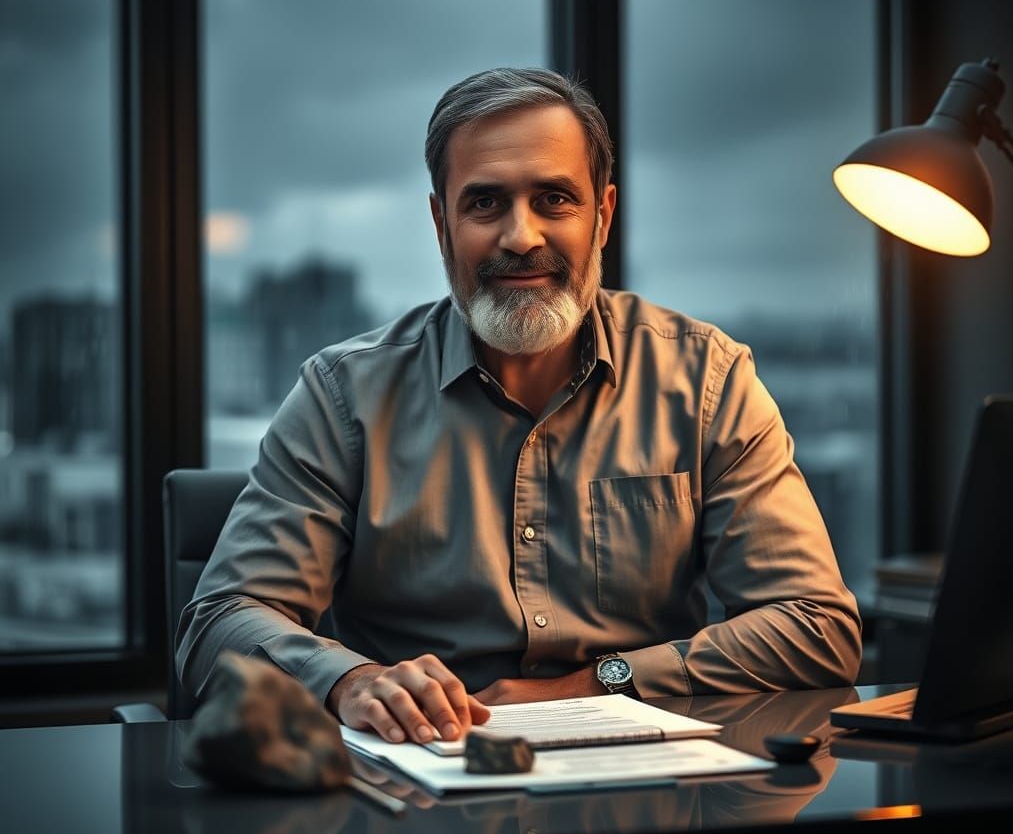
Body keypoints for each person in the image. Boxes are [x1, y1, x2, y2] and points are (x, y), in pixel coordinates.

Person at [177, 67, 862, 746]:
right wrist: (349, 681)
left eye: (555, 200)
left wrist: (598, 682)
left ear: (604, 216)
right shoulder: (341, 398)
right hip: (418, 796)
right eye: (484, 204)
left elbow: (815, 624)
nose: (520, 236)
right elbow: (218, 623)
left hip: (648, 806)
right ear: (441, 222)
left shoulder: (706, 378)